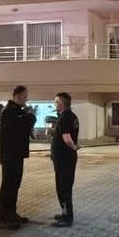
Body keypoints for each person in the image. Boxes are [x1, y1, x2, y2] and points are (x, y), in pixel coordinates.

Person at [0, 85, 35, 229]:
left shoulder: (17, 111)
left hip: (16, 154)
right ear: (18, 96)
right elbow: (21, 126)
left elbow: (23, 127)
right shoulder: (9, 111)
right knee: (9, 184)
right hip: (9, 155)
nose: (27, 99)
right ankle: (4, 218)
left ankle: (11, 213)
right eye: (25, 96)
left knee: (14, 184)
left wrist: (27, 115)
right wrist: (30, 115)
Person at [49, 91, 79, 227]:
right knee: (64, 186)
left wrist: (73, 147)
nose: (54, 104)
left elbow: (67, 138)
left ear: (61, 103)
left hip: (64, 159)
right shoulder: (71, 116)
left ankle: (67, 217)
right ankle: (65, 212)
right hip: (65, 158)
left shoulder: (65, 117)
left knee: (63, 187)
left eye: (56, 102)